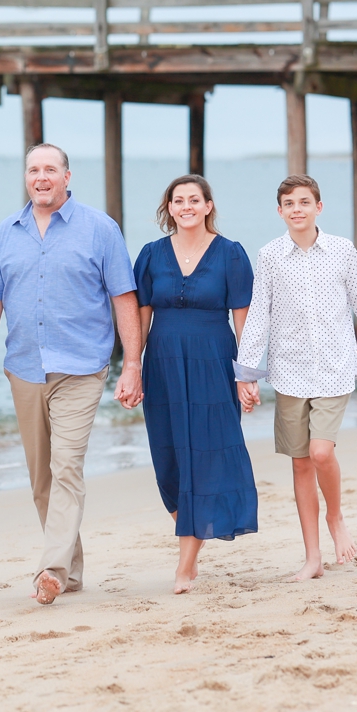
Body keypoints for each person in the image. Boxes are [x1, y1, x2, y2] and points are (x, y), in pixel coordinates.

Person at [0, 143, 142, 606]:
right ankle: (72, 570)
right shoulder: (6, 233)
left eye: (50, 169)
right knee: (42, 478)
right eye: (32, 170)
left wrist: (133, 365)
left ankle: (51, 567)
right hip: (24, 368)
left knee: (66, 466)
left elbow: (124, 298)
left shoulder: (100, 229)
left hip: (81, 368)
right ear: (26, 177)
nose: (41, 178)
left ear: (67, 175)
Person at [235, 175, 357, 582]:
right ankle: (312, 557)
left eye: (304, 202)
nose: (297, 209)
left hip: (334, 368)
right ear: (279, 211)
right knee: (300, 464)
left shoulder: (342, 251)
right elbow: (258, 315)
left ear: (319, 206)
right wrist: (247, 373)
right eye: (289, 203)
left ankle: (336, 515)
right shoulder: (270, 256)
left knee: (319, 453)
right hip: (289, 371)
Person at [132, 175, 259, 594]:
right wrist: (132, 367)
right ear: (169, 208)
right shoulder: (151, 255)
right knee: (168, 464)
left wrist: (247, 376)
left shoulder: (231, 255)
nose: (185, 206)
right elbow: (141, 318)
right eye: (177, 200)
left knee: (205, 460)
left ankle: (185, 565)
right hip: (163, 364)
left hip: (214, 363)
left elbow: (245, 322)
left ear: (208, 206)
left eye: (194, 199)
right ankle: (193, 529)